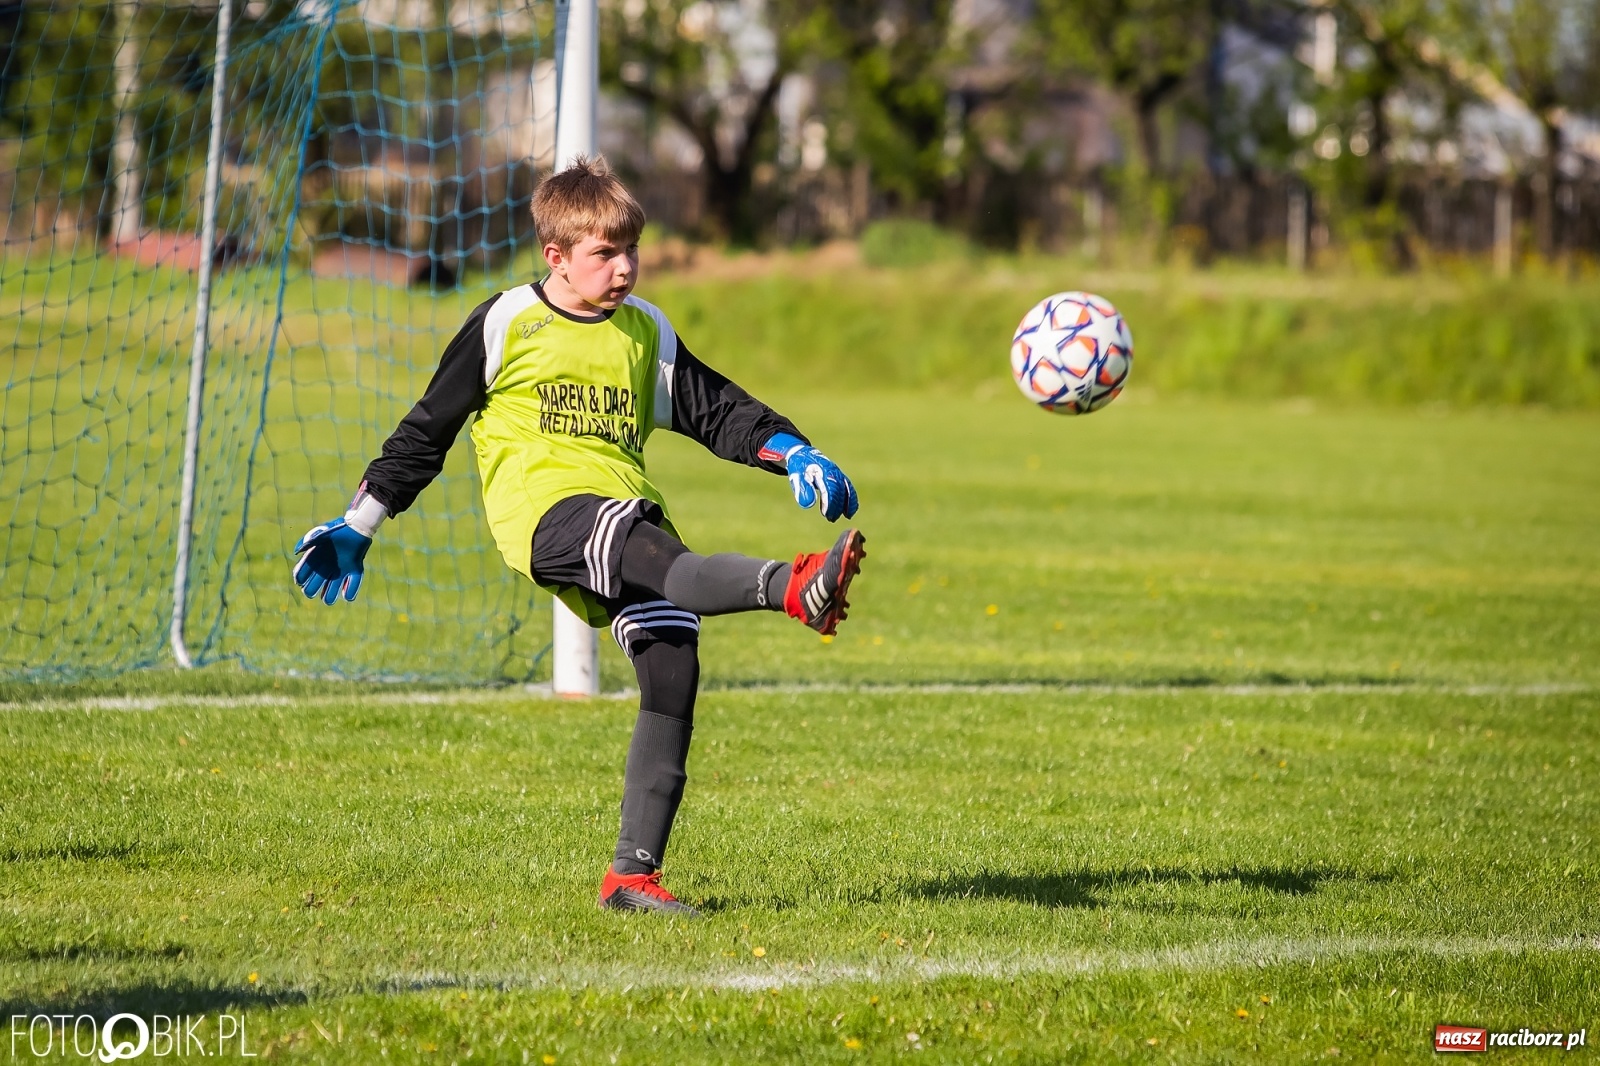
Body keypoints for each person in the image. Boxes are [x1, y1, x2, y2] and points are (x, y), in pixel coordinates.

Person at [289, 156, 866, 917]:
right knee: (668, 563)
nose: (624, 267)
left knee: (673, 664)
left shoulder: (644, 330)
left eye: (632, 249)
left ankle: (631, 879)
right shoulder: (507, 321)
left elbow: (714, 409)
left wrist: (792, 450)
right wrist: (362, 521)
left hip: (628, 506)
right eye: (605, 253)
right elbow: (430, 426)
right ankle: (793, 588)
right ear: (556, 255)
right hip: (546, 512)